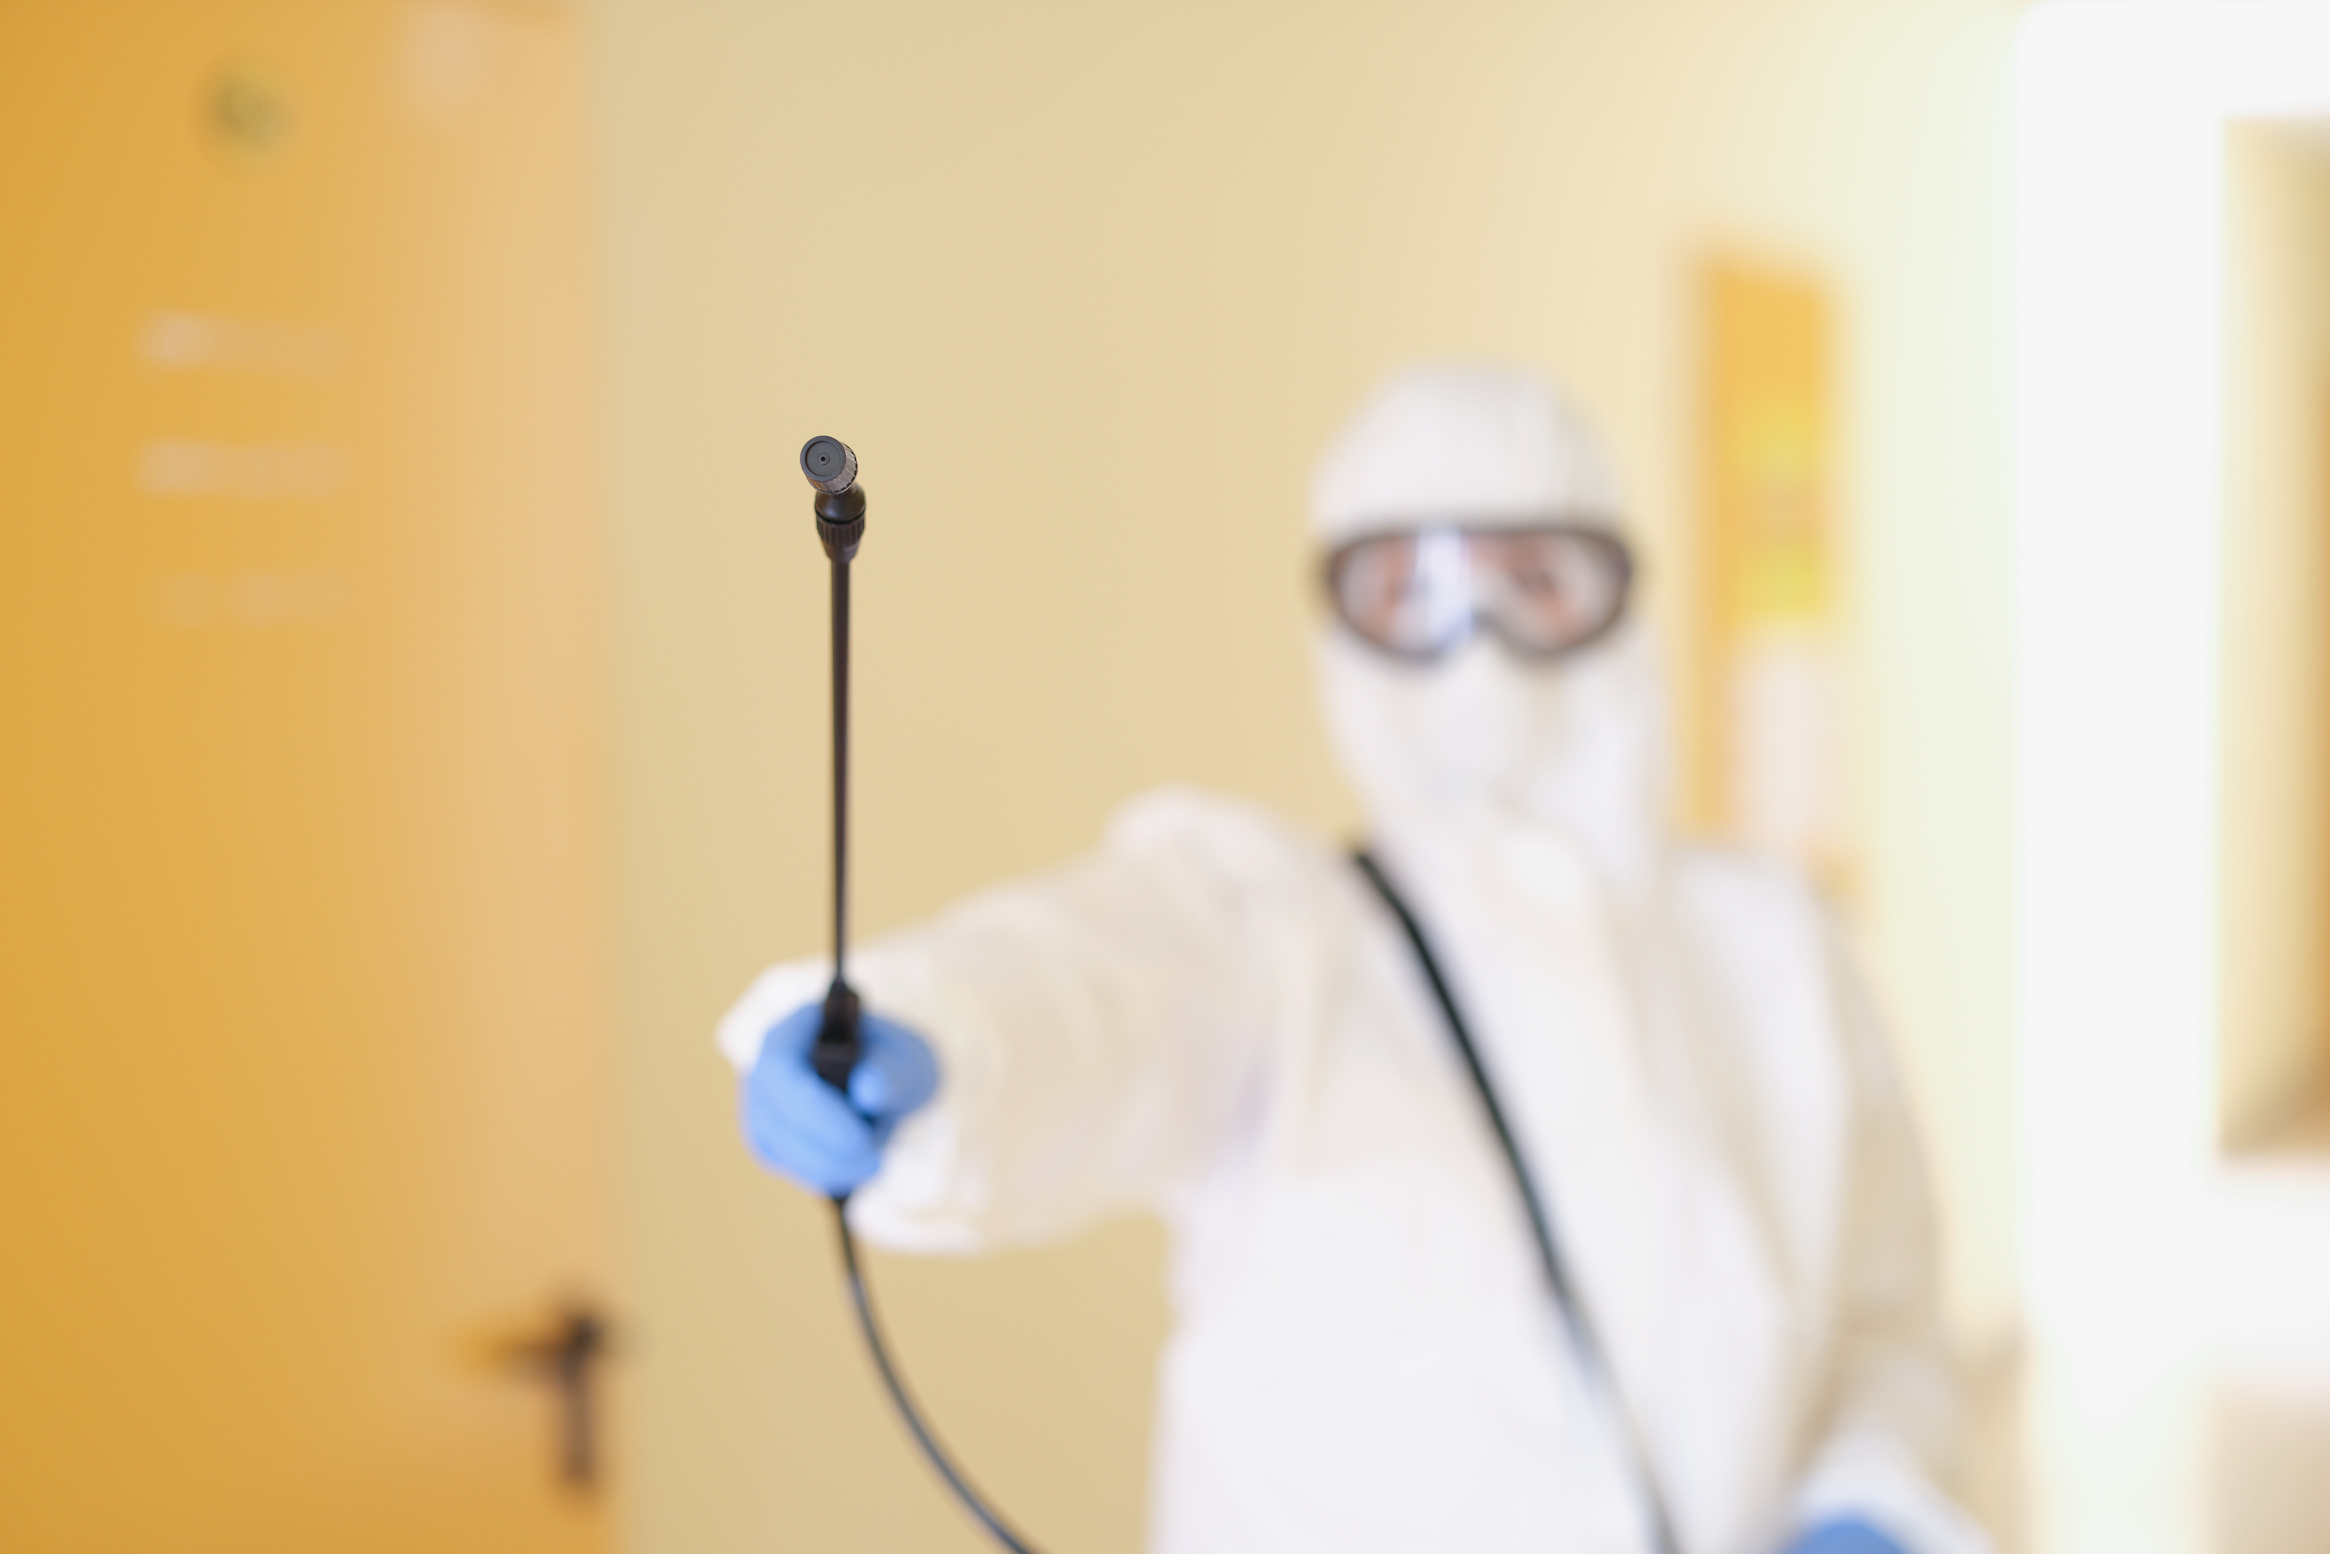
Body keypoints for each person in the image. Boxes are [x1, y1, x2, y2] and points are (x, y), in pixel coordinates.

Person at [720, 364, 1991, 1554]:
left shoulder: (1770, 946)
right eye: (1411, 593)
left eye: (1533, 580)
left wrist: (1869, 1504)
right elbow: (1097, 993)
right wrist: (936, 1047)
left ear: (1617, 595)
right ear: (1344, 618)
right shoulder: (1279, 932)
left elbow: (1887, 1329)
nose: (1475, 641)